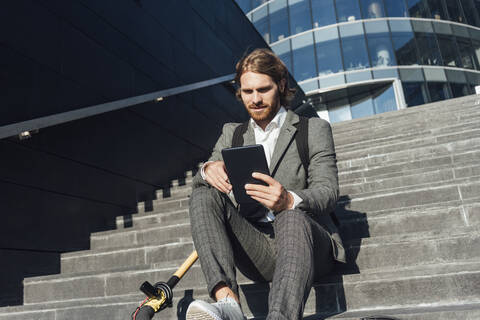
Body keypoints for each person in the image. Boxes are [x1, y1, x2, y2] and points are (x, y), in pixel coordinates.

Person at [186, 48, 345, 320]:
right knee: (202, 196)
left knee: (290, 217)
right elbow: (202, 183)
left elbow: (328, 191)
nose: (256, 99)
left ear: (281, 85)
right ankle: (227, 305)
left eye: (264, 89)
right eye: (248, 92)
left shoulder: (313, 129)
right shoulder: (231, 133)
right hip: (256, 247)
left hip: (307, 246)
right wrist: (207, 169)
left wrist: (289, 200)